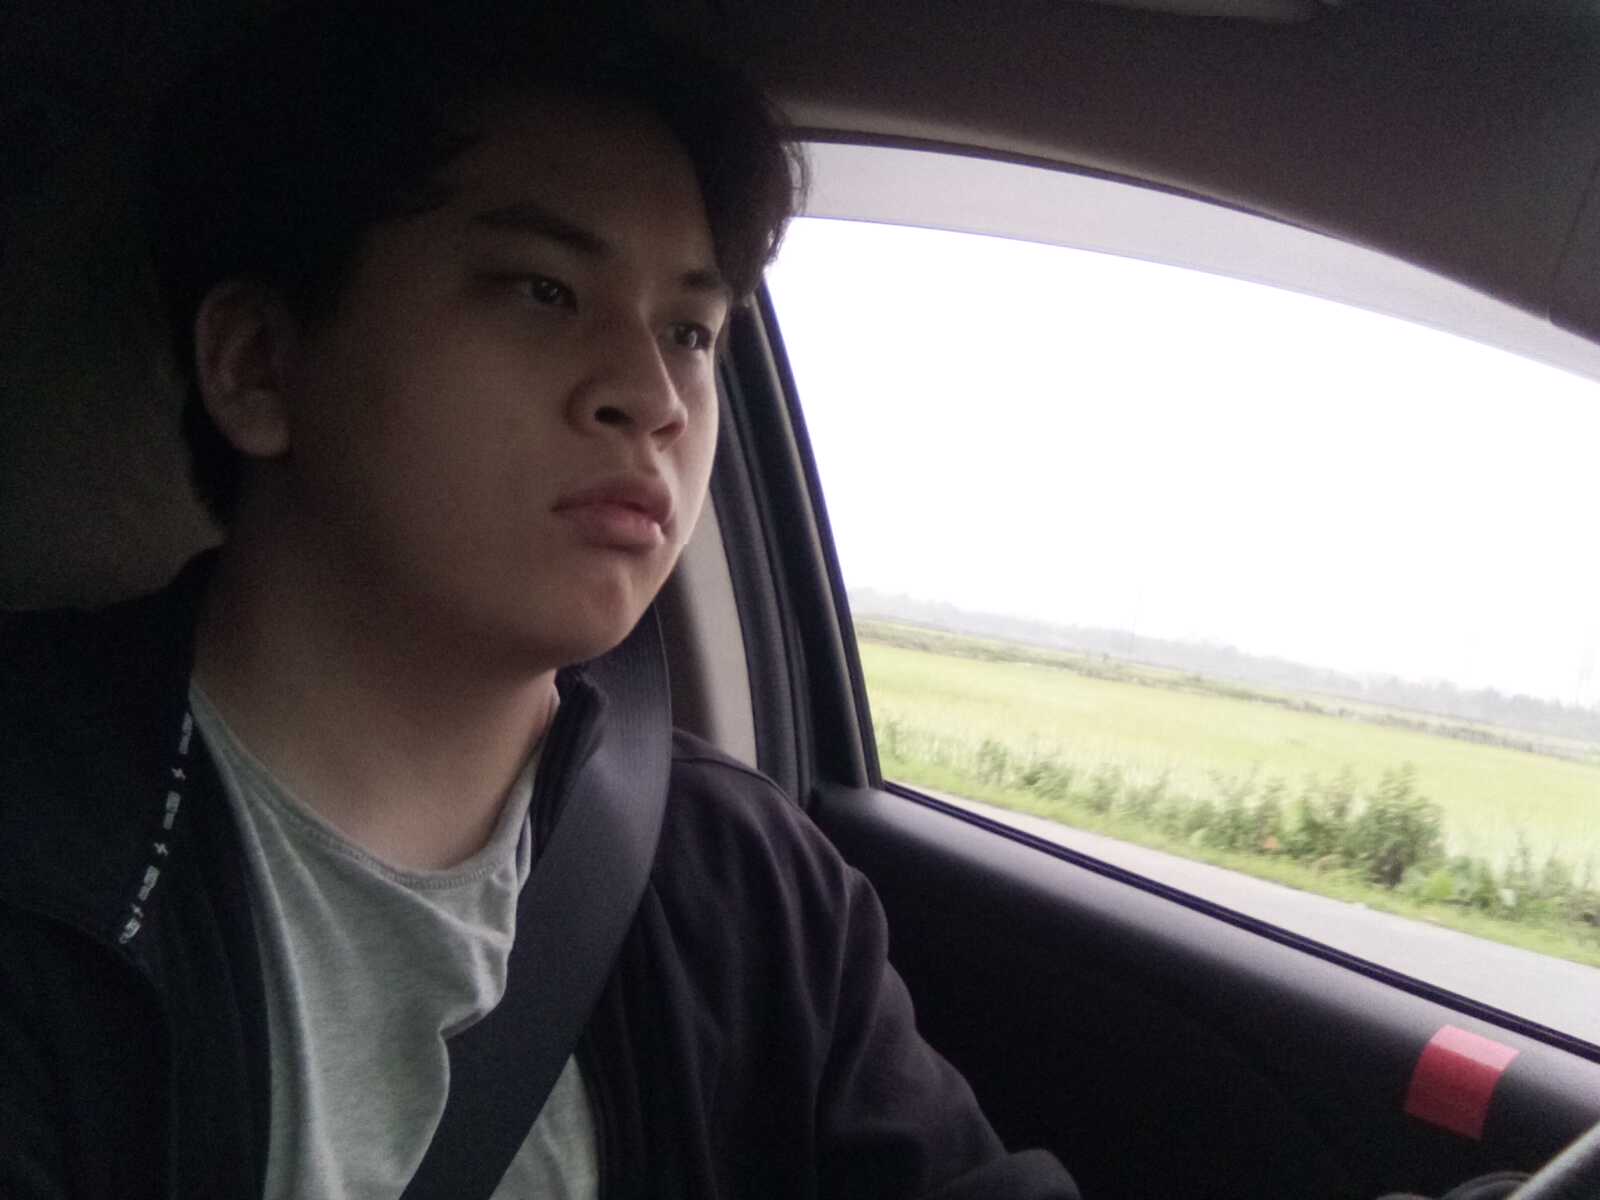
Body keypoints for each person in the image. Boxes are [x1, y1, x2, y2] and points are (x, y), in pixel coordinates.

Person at [0, 3, 1080, 1197]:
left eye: (689, 330)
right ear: (258, 363)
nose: (653, 396)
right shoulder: (43, 841)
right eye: (543, 291)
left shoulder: (749, 881)